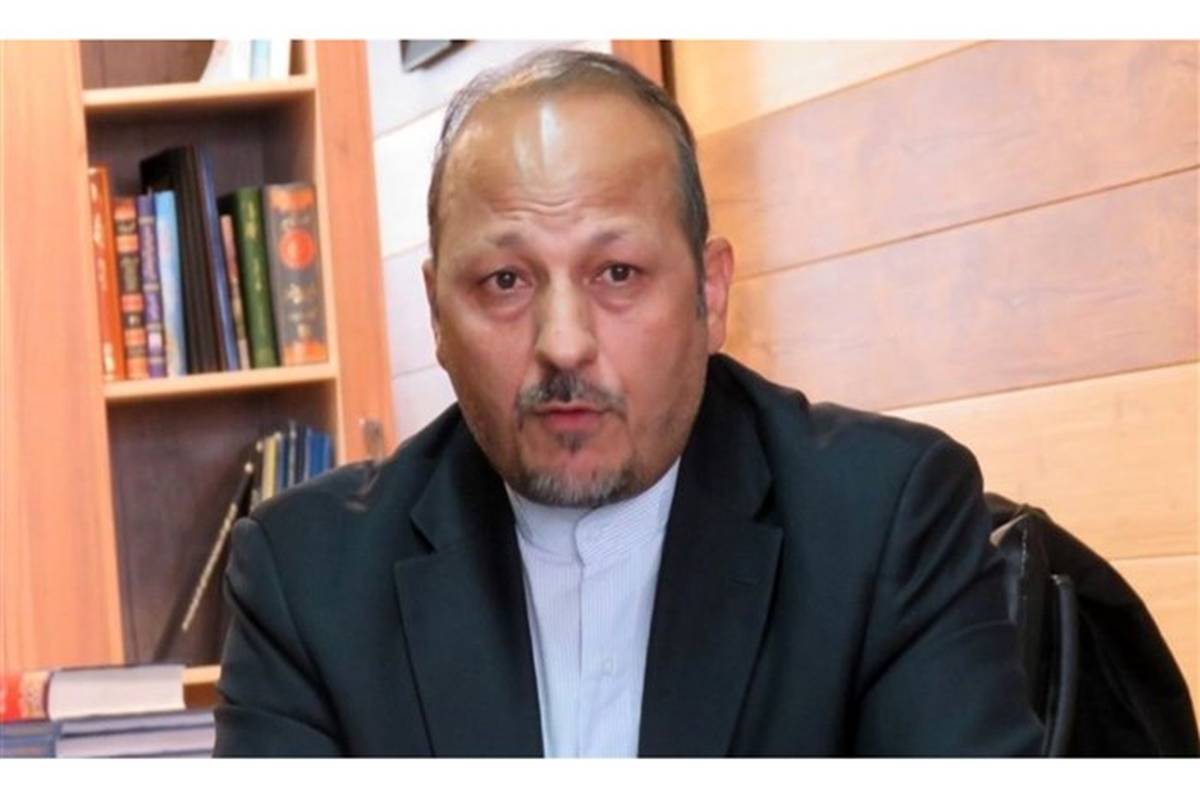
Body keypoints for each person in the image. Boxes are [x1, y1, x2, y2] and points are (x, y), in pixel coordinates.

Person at [213, 48, 1044, 757]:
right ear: (436, 313)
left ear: (710, 292)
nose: (564, 343)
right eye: (505, 281)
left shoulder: (885, 521)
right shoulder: (307, 580)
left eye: (617, 273)